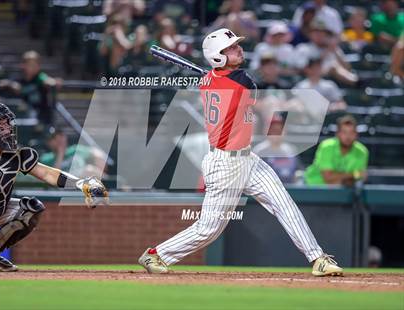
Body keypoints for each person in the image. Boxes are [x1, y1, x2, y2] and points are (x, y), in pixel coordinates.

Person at [138, 28, 343, 276]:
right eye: (231, 48)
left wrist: (220, 78)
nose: (238, 49)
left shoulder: (212, 81)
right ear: (217, 57)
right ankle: (156, 255)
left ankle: (317, 258)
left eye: (236, 45)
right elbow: (250, 89)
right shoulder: (240, 80)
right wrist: (224, 79)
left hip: (248, 158)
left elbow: (226, 84)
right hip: (225, 164)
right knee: (209, 229)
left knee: (284, 204)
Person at [0, 81, 108, 272]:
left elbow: (49, 174)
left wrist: (82, 184)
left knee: (31, 208)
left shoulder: (15, 155)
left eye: (6, 123)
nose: (7, 128)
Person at [0, 51, 61, 127]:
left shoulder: (40, 78)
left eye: (36, 65)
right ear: (23, 65)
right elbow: (7, 85)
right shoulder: (18, 79)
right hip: (23, 118)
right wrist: (9, 84)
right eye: (30, 65)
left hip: (41, 119)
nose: (34, 67)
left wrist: (52, 82)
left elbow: (47, 80)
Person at [304, 115, 368, 186]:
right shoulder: (326, 146)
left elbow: (360, 177)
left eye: (351, 132)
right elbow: (328, 177)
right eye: (344, 132)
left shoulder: (362, 151)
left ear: (356, 134)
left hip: (342, 192)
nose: (348, 136)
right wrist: (353, 174)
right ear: (338, 134)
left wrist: (353, 176)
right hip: (313, 188)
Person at [295, 19, 358, 85]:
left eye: (322, 32)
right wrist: (326, 53)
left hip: (334, 83)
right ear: (310, 34)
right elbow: (302, 69)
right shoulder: (303, 48)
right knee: (333, 67)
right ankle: (357, 83)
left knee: (334, 66)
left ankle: (358, 82)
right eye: (316, 32)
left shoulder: (333, 48)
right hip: (311, 82)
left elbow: (347, 67)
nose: (319, 35)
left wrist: (334, 50)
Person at [253, 115, 301, 184]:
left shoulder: (291, 150)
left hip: (290, 188)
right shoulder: (259, 151)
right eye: (272, 129)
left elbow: (298, 171)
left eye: (279, 129)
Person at [40, 128, 106, 177]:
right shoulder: (46, 159)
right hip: (63, 187)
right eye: (54, 138)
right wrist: (60, 154)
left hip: (83, 184)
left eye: (61, 136)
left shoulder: (76, 149)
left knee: (91, 170)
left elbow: (98, 154)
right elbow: (53, 177)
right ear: (48, 142)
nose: (59, 139)